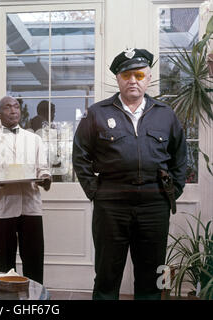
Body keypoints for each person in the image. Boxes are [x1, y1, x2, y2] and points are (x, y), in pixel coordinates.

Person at [72, 48, 187, 300]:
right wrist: (96, 192)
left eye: (138, 74)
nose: (132, 80)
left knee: (152, 274)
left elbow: (180, 157)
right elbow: (80, 156)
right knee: (106, 273)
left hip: (154, 204)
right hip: (111, 204)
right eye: (126, 75)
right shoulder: (97, 113)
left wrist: (171, 191)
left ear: (148, 77)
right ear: (118, 79)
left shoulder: (165, 113)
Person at [0, 96, 51, 284]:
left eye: (16, 107)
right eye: (7, 107)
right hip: (0, 210)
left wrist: (45, 178)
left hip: (30, 208)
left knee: (34, 263)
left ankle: (36, 302)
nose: (13, 110)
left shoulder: (34, 139)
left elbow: (43, 169)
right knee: (5, 265)